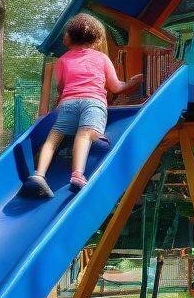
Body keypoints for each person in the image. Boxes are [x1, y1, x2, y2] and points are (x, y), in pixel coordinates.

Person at [21, 13, 142, 198]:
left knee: (53, 139)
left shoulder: (62, 60)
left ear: (70, 37)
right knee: (85, 134)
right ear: (96, 38)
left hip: (68, 103)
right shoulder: (102, 58)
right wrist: (131, 83)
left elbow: (61, 87)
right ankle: (77, 173)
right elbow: (116, 87)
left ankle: (39, 175)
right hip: (93, 102)